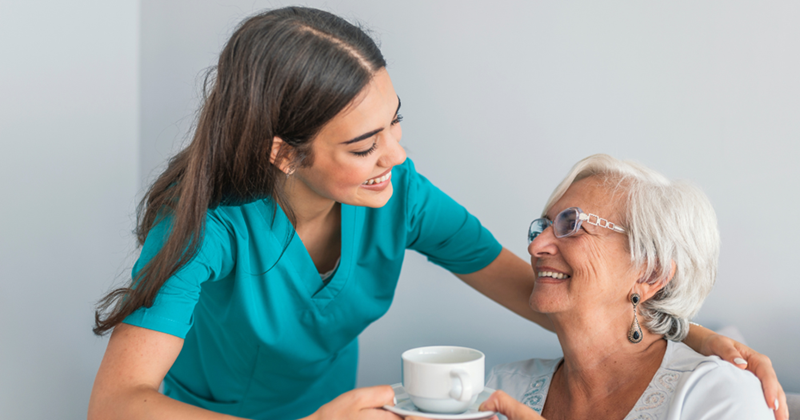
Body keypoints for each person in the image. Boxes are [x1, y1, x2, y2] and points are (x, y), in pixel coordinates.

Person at [87, 7, 786, 420]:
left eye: (395, 123)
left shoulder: (399, 196)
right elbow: (117, 404)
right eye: (365, 145)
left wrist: (692, 336)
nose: (397, 154)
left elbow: (542, 289)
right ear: (285, 154)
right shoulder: (207, 227)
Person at [469, 154, 789, 420]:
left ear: (651, 273)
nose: (536, 246)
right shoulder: (506, 386)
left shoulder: (719, 395)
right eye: (543, 227)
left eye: (572, 225)